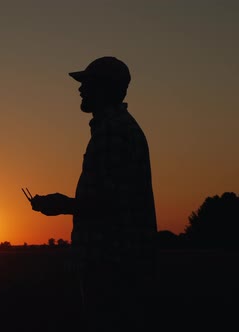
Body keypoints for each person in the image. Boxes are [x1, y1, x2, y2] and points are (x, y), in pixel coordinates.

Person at [29, 56, 158, 332]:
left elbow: (109, 203)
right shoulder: (119, 128)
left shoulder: (112, 132)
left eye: (87, 84)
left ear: (104, 89)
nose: (80, 90)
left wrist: (61, 205)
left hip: (112, 264)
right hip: (122, 263)